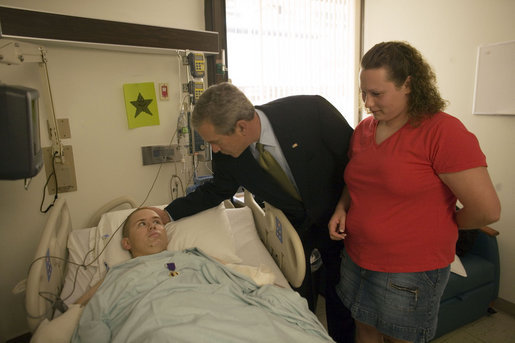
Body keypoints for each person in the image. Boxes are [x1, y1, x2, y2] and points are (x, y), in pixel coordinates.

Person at [152, 82, 355, 342]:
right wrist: (168, 213)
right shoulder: (228, 155)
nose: (213, 149)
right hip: (295, 229)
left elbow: (356, 159)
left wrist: (344, 205)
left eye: (215, 141)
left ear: (241, 127)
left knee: (343, 298)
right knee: (299, 305)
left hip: (342, 216)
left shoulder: (310, 112)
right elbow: (216, 191)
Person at [328, 41, 501, 343]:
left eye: (377, 94)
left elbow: (487, 210)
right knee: (364, 328)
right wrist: (343, 207)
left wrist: (446, 224)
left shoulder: (442, 132)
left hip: (409, 270)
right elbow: (357, 180)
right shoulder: (364, 130)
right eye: (363, 93)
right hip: (357, 256)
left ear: (408, 85)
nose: (367, 102)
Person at [70, 207, 336, 343]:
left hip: (224, 315)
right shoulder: (118, 274)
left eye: (157, 223)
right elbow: (86, 311)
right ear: (126, 243)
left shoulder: (192, 256)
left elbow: (236, 280)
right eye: (143, 224)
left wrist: (269, 288)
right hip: (160, 325)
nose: (153, 226)